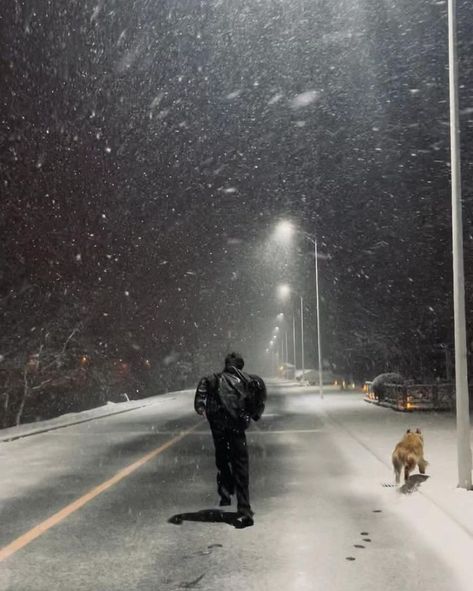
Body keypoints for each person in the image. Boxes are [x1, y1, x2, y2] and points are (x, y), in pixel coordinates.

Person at [194, 352, 266, 527]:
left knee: (222, 460)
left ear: (226, 364)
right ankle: (244, 508)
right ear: (241, 365)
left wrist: (207, 410)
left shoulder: (212, 379)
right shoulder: (250, 380)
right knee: (241, 467)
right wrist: (251, 415)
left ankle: (226, 489)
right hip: (237, 429)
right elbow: (258, 404)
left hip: (219, 430)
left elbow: (199, 403)